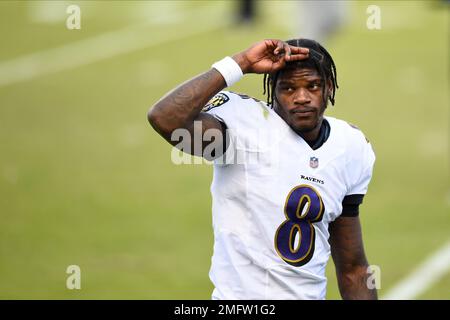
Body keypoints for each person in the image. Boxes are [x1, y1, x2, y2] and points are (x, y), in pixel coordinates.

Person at [147, 39, 377, 300]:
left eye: (312, 86)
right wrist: (240, 63)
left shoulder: (349, 146)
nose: (301, 97)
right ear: (273, 93)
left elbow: (353, 269)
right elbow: (165, 118)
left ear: (329, 88)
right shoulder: (243, 129)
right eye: (288, 88)